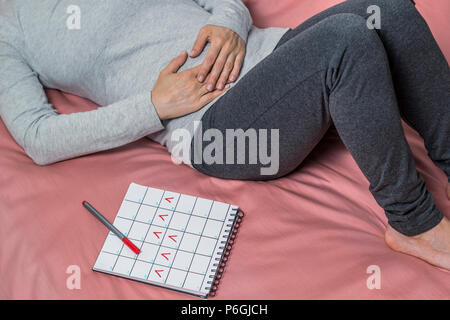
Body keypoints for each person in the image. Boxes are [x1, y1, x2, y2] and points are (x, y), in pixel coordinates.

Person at [0, 0, 449, 270]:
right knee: (348, 39)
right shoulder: (8, 27)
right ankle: (413, 223)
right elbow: (38, 136)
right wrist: (153, 108)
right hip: (216, 126)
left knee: (386, 11)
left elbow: (226, 3)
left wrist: (230, 26)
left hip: (279, 52)